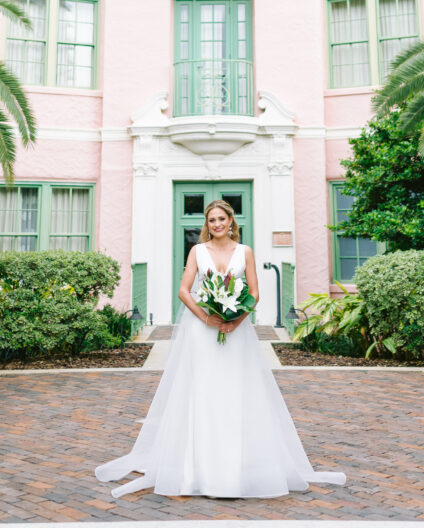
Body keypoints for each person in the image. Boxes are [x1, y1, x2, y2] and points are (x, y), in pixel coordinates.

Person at [95, 198, 347, 498]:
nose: (216, 224)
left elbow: (254, 293)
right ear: (208, 224)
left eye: (221, 219)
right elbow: (183, 290)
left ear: (231, 221)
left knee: (236, 392)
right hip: (202, 334)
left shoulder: (245, 252)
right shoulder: (198, 251)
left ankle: (239, 466)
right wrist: (207, 318)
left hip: (237, 334)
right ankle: (199, 469)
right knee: (204, 391)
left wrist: (236, 321)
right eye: (211, 220)